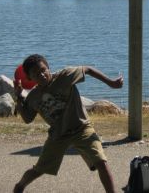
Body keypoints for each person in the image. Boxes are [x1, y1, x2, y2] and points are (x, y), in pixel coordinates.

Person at [13, 54, 123, 193]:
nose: (41, 75)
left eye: (43, 70)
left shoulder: (64, 76)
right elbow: (27, 119)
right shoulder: (34, 97)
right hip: (58, 135)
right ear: (29, 78)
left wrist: (111, 83)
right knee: (40, 169)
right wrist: (18, 97)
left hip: (82, 128)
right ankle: (20, 186)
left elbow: (87, 69)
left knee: (101, 162)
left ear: (48, 67)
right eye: (35, 74)